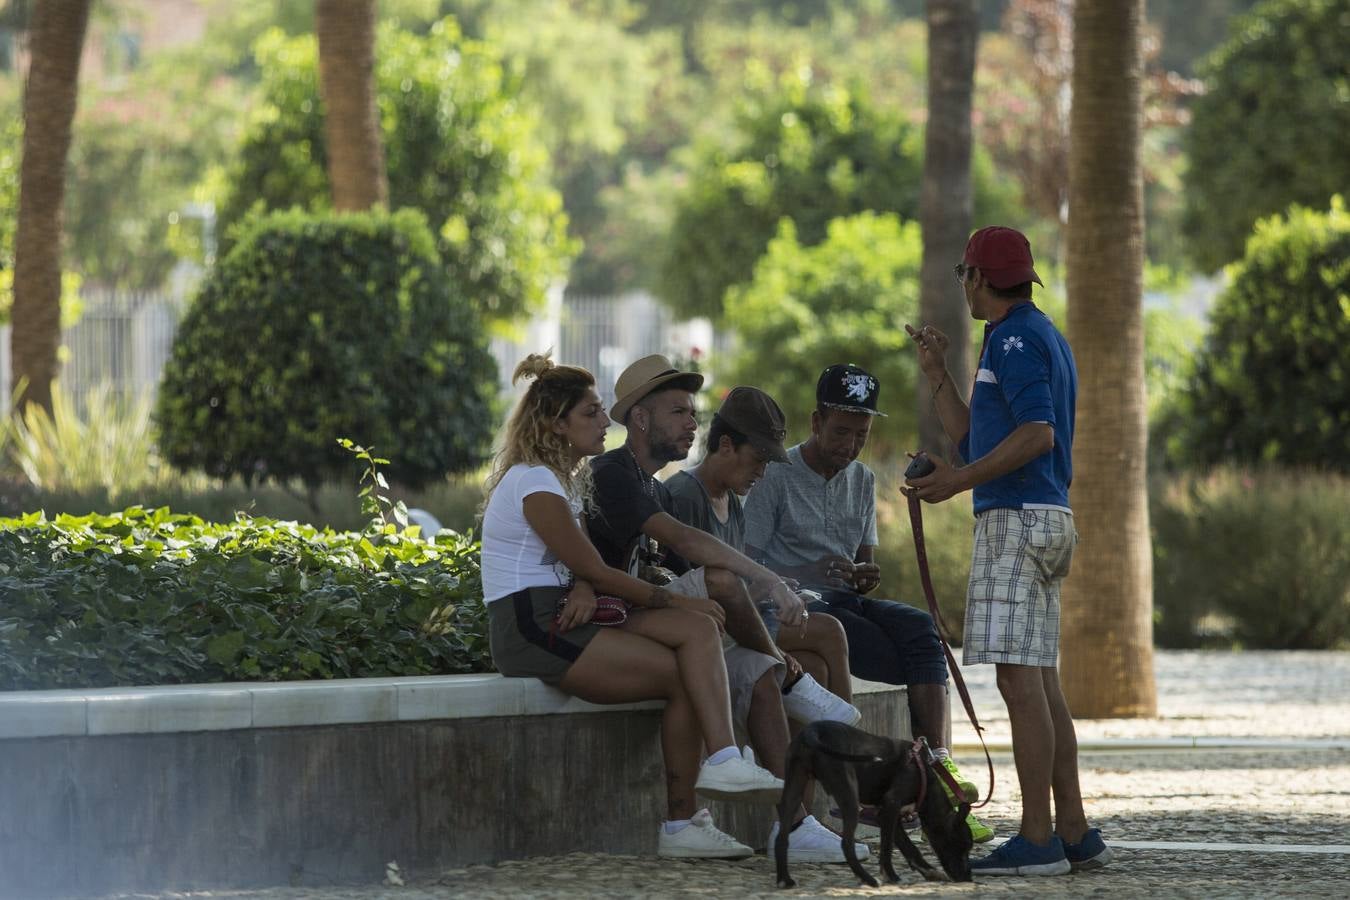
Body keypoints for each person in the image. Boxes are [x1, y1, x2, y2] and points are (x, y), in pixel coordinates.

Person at [480, 353, 783, 860]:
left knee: (692, 649)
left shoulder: (559, 481)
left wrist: (588, 584)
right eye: (591, 413)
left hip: (562, 614)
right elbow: (596, 568)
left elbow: (583, 565)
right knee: (689, 639)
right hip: (529, 627)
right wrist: (664, 599)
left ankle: (696, 804)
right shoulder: (533, 480)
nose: (605, 423)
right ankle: (700, 793)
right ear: (556, 424)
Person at [586, 356, 864, 863]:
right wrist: (767, 580)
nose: (692, 423)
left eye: (693, 412)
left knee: (760, 672)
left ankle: (794, 825)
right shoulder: (614, 473)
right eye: (678, 412)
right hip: (610, 623)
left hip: (652, 619)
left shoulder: (650, 484)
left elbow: (661, 567)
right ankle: (778, 698)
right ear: (641, 419)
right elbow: (685, 545)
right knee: (725, 586)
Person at [904, 225, 1112, 876]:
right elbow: (974, 439)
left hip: (1015, 521)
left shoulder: (1015, 337)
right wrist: (939, 376)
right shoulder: (1028, 334)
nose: (961, 286)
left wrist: (957, 483)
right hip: (1045, 516)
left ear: (977, 278)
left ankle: (1038, 837)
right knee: (1042, 682)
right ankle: (1073, 829)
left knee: (1019, 683)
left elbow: (1038, 435)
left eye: (962, 275)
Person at [742, 362, 993, 844]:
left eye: (860, 434)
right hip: (797, 607)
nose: (850, 445)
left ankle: (938, 761)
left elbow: (864, 568)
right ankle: (907, 786)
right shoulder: (776, 474)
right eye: (840, 432)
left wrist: (864, 576)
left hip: (845, 604)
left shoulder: (860, 479)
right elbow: (748, 565)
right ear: (815, 423)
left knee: (921, 628)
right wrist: (808, 573)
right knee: (901, 657)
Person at [665, 385, 864, 861]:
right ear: (726, 445)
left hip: (727, 637)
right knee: (771, 671)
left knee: (797, 659)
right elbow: (685, 588)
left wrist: (782, 592)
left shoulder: (732, 504)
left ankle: (798, 822)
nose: (762, 472)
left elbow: (736, 588)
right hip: (690, 640)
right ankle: (797, 819)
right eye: (757, 459)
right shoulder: (682, 495)